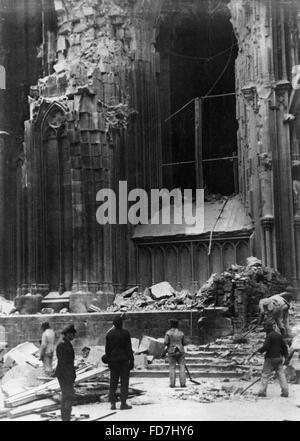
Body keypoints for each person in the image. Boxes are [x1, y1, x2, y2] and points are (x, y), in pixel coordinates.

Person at [105, 315, 134, 410]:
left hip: (113, 361)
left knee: (113, 382)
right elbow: (129, 348)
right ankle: (123, 403)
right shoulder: (126, 333)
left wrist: (109, 361)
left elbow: (107, 350)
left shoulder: (109, 334)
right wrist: (132, 360)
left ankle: (112, 403)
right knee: (124, 383)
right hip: (124, 360)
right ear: (121, 323)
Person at [255, 321, 289, 398]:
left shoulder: (269, 336)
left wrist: (259, 350)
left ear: (268, 327)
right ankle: (285, 392)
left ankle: (262, 392)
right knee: (281, 375)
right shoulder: (279, 335)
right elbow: (284, 347)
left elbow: (266, 347)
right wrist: (286, 357)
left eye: (265, 327)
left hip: (270, 358)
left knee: (265, 375)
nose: (264, 329)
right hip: (279, 358)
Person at [55, 324, 77, 421]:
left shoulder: (65, 343)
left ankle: (66, 417)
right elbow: (65, 363)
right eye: (72, 334)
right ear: (68, 334)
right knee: (68, 395)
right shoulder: (63, 345)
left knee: (67, 395)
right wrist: (70, 375)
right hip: (65, 374)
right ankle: (65, 417)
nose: (74, 336)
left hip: (66, 373)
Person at [164, 318, 186, 388]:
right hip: (181, 351)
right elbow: (184, 343)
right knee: (182, 367)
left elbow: (166, 342)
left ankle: (172, 384)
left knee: (172, 367)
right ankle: (183, 384)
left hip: (171, 352)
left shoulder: (168, 333)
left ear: (171, 324)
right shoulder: (181, 333)